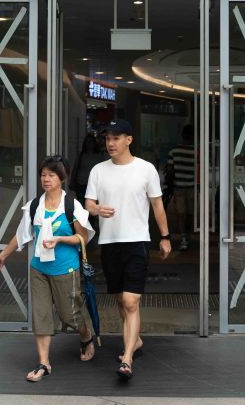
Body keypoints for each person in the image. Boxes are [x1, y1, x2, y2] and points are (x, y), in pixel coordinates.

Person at [0, 155, 97, 382]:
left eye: (51, 175)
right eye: (43, 175)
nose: (46, 179)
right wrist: (3, 255)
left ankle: (86, 336)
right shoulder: (34, 206)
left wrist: (60, 239)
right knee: (40, 316)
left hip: (65, 269)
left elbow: (83, 238)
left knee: (70, 315)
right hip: (39, 268)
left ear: (62, 178)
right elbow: (21, 235)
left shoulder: (71, 206)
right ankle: (43, 363)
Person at [84, 118, 172, 380]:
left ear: (129, 140)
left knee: (132, 301)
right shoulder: (98, 170)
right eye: (107, 138)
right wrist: (97, 209)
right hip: (109, 242)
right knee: (121, 300)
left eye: (116, 138)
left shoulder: (146, 170)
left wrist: (165, 237)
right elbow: (88, 203)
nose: (110, 143)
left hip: (137, 241)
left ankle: (128, 358)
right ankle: (137, 340)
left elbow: (157, 206)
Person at [166, 125, 196, 251]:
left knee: (180, 214)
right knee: (190, 214)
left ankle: (184, 239)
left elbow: (169, 170)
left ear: (182, 136)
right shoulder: (197, 151)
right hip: (192, 187)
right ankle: (188, 236)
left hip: (178, 187)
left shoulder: (174, 151)